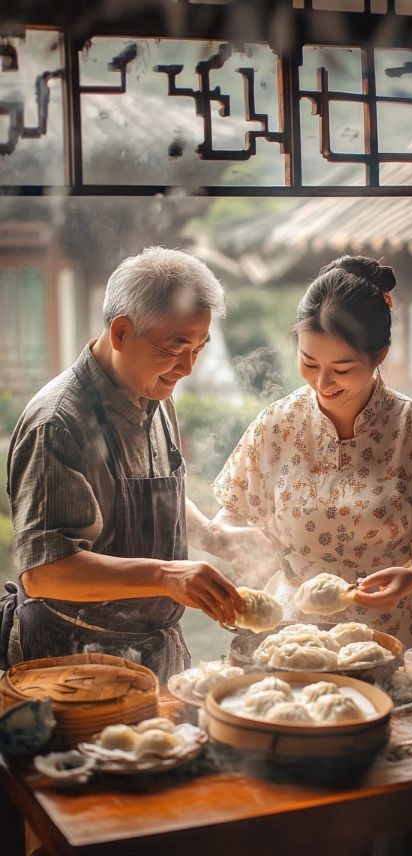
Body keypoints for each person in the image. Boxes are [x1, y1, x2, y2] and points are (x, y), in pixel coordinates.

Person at [3, 246, 271, 681]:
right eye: (175, 347)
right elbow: (47, 571)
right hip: (73, 659)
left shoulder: (152, 391)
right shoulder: (58, 424)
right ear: (122, 332)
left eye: (199, 349)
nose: (186, 367)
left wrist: (214, 536)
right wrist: (167, 575)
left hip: (151, 650)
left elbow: (145, 489)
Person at [212, 255, 412, 648]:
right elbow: (229, 515)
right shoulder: (277, 425)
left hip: (391, 634)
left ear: (380, 354)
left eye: (342, 368)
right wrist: (240, 547)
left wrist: (410, 578)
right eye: (308, 361)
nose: (323, 382)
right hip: (293, 634)